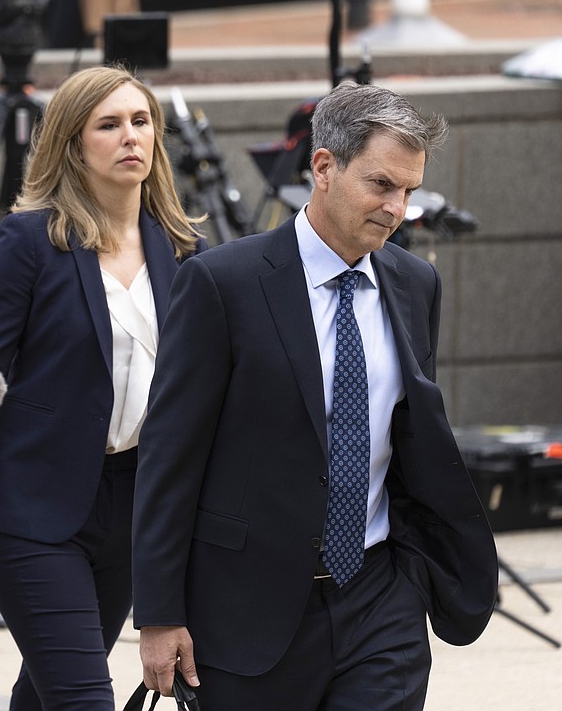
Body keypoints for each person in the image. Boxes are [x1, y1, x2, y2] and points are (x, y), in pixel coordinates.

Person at [133, 81, 499, 709]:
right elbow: (170, 455)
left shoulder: (416, 284)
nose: (396, 208)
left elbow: (411, 441)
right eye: (381, 184)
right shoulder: (223, 284)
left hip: (381, 599)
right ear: (323, 168)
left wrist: (415, 576)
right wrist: (160, 614)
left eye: (409, 191)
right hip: (250, 610)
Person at [0, 65, 206, 710]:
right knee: (81, 698)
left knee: (45, 696)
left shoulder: (182, 252)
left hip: (130, 513)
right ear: (73, 144)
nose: (131, 137)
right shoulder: (29, 241)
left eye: (141, 121)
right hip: (31, 511)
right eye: (109, 125)